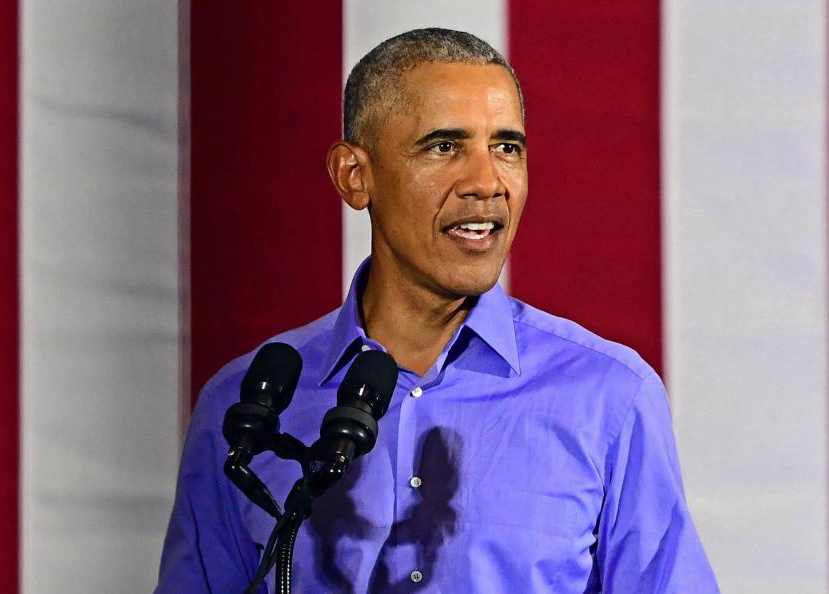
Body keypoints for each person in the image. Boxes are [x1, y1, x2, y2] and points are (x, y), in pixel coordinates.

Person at [155, 28, 718, 593]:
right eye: (443, 146)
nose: (486, 182)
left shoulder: (610, 398)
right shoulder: (247, 405)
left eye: (507, 147)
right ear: (355, 176)